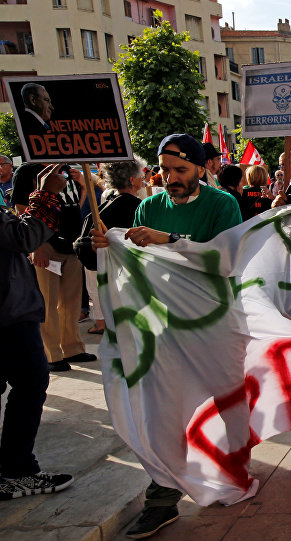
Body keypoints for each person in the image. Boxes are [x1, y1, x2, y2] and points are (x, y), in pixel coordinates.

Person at [91, 134, 242, 539]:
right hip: (165, 325)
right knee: (161, 409)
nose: (171, 178)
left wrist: (170, 240)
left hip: (214, 322)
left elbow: (226, 260)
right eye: (165, 170)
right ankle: (162, 495)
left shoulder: (223, 204)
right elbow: (138, 263)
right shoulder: (148, 206)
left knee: (228, 398)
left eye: (181, 170)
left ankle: (236, 464)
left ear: (199, 168)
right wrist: (107, 247)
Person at [0, 163, 75, 500]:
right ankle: (17, 470)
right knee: (30, 382)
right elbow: (24, 236)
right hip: (8, 315)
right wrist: (44, 194)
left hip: (12, 309)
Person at [11, 163, 95, 372]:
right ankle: (51, 354)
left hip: (71, 244)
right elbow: (21, 208)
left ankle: (72, 348)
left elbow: (74, 204)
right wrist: (37, 246)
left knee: (72, 301)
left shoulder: (69, 168)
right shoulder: (29, 170)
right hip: (46, 244)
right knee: (47, 301)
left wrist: (83, 186)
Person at [74, 160, 147, 336]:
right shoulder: (139, 209)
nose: (144, 178)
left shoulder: (101, 209)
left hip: (107, 284)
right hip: (127, 283)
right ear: (132, 179)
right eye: (141, 175)